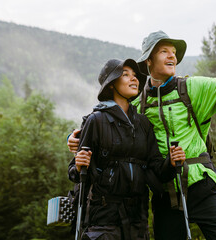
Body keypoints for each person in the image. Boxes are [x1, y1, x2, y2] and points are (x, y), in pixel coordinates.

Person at [68, 18, 216, 240]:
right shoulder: (137, 104)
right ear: (148, 61)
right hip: (163, 195)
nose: (172, 56)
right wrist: (75, 138)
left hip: (201, 186)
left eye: (173, 52)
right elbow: (107, 124)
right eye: (164, 51)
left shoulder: (193, 88)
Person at [68, 58, 186, 240]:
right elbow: (77, 173)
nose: (134, 79)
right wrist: (78, 165)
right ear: (111, 85)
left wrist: (170, 163)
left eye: (135, 76)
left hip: (138, 218)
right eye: (125, 75)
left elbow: (156, 169)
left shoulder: (143, 124)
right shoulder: (96, 120)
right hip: (104, 216)